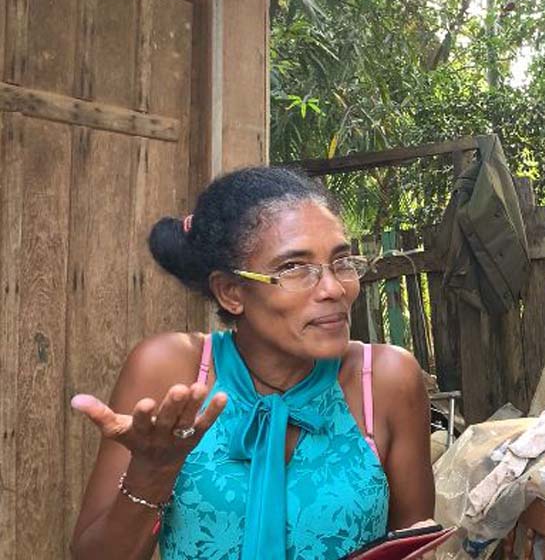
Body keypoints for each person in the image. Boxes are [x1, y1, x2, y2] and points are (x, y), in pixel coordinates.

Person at [69, 166, 435, 560]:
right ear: (231, 292)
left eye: (342, 261)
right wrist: (151, 474)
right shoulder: (171, 371)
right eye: (294, 268)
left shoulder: (384, 381)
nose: (334, 289)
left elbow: (415, 547)